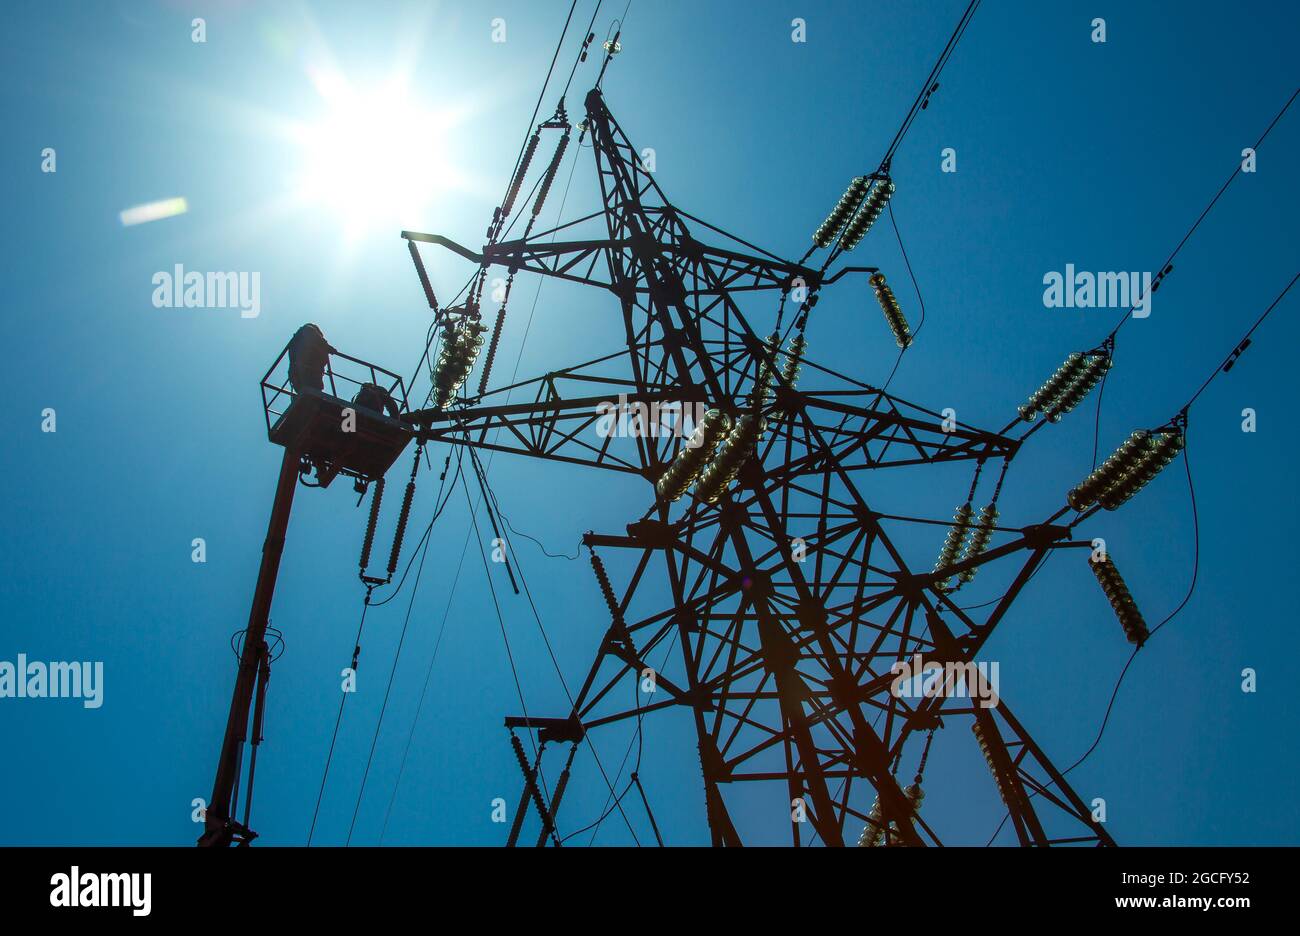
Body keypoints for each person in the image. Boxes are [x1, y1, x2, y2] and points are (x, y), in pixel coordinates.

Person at [286, 323, 334, 394]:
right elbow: (316, 338)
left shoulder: (296, 341)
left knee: (310, 392)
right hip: (307, 371)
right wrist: (329, 348)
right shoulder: (308, 330)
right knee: (313, 393)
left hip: (298, 373)